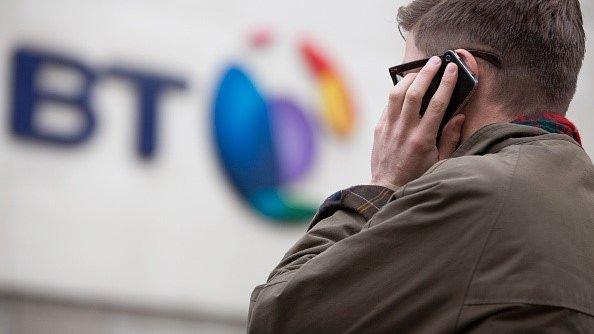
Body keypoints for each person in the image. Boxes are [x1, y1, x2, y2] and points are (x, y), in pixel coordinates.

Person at [247, 0, 594, 332]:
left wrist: (385, 183)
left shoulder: (469, 194)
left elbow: (278, 318)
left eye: (407, 77)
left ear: (453, 77)